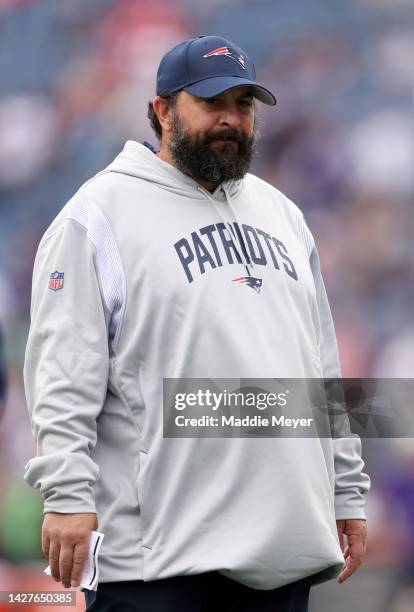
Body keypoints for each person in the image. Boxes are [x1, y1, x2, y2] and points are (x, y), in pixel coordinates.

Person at [23, 35, 370, 611]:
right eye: (212, 103)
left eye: (243, 105)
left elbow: (323, 368)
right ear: (161, 110)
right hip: (156, 562)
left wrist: (347, 491)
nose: (231, 120)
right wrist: (66, 494)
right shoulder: (97, 214)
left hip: (280, 555)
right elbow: (63, 372)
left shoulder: (284, 215)